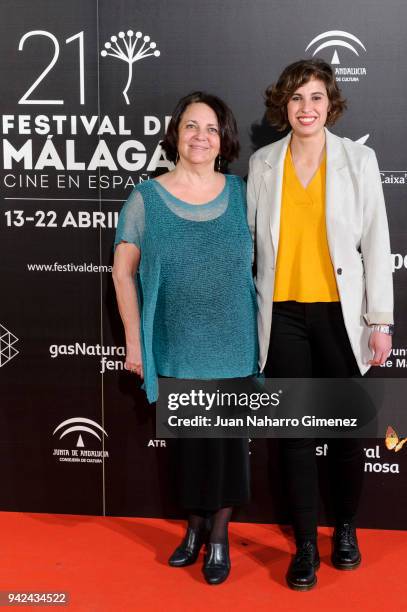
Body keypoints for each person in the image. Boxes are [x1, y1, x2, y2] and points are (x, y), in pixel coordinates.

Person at [247, 59, 393, 590]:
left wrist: (381, 320)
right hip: (281, 315)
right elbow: (249, 243)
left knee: (349, 432)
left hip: (339, 317)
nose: (306, 108)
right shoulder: (264, 163)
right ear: (282, 106)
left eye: (315, 97)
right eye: (295, 98)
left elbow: (377, 242)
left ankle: (346, 531)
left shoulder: (359, 159)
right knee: (295, 436)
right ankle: (306, 542)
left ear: (330, 103)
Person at [112, 91, 258, 585]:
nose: (201, 136)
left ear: (224, 139)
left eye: (212, 128)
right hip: (176, 344)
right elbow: (121, 271)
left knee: (227, 448)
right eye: (192, 126)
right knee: (190, 448)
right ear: (176, 133)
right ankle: (193, 529)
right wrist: (135, 342)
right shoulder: (146, 198)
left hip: (235, 343)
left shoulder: (243, 193)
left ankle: (218, 536)